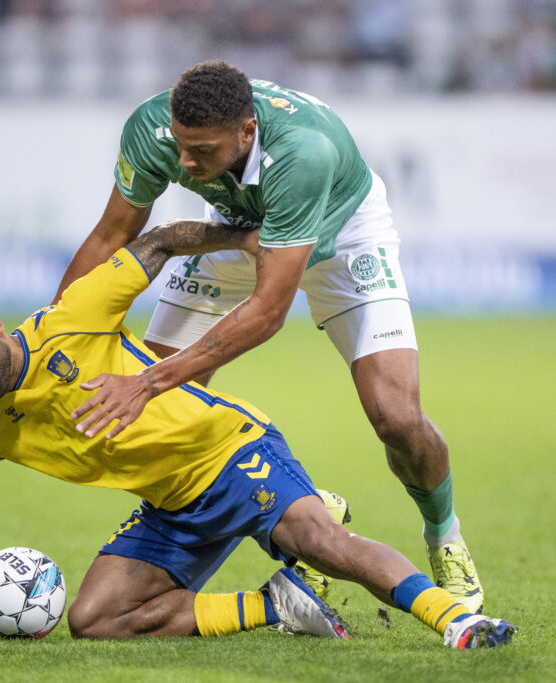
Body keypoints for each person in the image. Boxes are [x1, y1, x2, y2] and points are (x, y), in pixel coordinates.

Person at [0, 220, 516, 649]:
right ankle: (274, 606)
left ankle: (455, 617)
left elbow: (154, 246)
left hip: (232, 452)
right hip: (170, 506)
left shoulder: (72, 318)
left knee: (327, 544)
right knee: (94, 620)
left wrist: (243, 236)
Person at [56, 60, 484, 613]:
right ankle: (305, 510)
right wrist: (48, 335)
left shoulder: (303, 153)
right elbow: (110, 236)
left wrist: (149, 380)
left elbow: (266, 314)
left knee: (396, 417)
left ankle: (444, 535)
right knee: (141, 422)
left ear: (247, 132)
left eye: (202, 152)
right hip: (239, 232)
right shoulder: (154, 130)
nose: (184, 163)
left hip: (345, 234)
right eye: (181, 147)